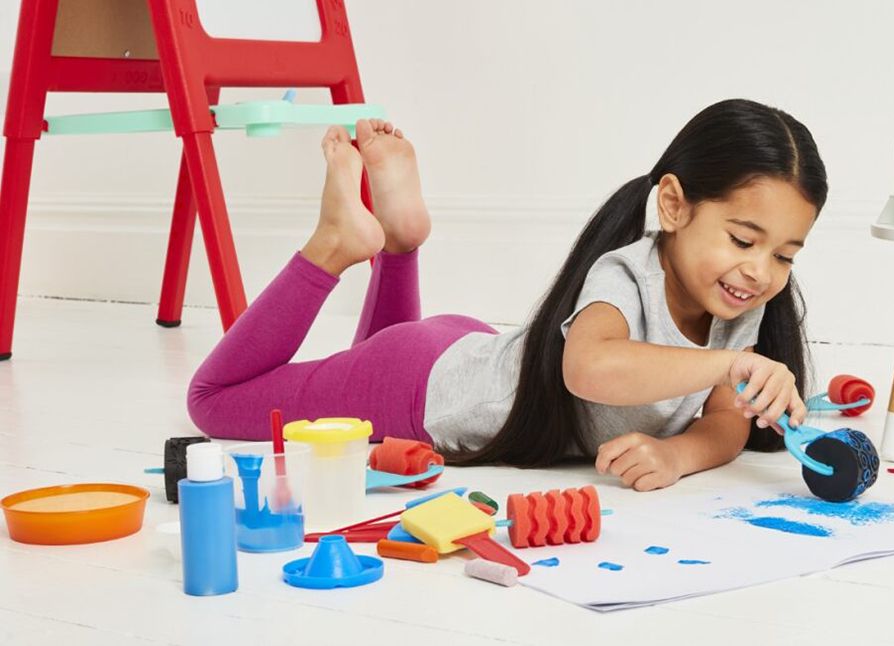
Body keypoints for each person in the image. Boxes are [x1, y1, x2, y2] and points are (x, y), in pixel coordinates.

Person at [188, 99, 828, 491]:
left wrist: (675, 452)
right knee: (215, 403)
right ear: (674, 203)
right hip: (419, 388)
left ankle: (401, 241)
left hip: (462, 352)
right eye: (744, 238)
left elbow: (723, 421)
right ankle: (334, 243)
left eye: (783, 255)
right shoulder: (625, 275)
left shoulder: (736, 304)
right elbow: (589, 368)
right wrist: (730, 364)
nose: (759, 271)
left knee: (355, 377)